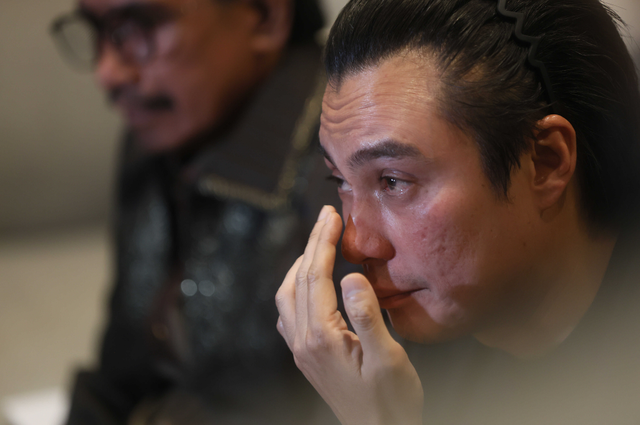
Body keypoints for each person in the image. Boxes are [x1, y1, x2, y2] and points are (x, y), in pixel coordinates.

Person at [275, 0, 640, 424]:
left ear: (545, 162)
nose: (356, 244)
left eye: (393, 181)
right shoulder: (398, 362)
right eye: (338, 180)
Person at [50, 0, 351, 423]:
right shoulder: (163, 133)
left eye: (138, 27)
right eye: (98, 31)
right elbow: (120, 377)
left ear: (265, 16)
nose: (107, 72)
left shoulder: (352, 182)